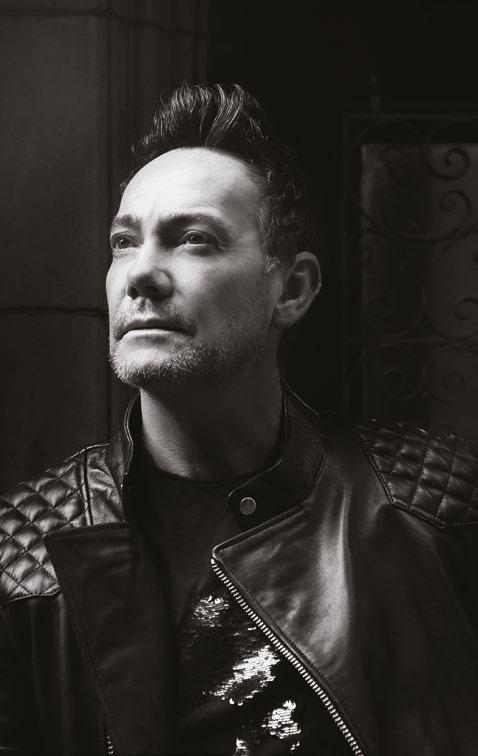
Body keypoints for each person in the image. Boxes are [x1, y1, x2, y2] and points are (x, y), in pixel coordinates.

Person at [0, 83, 477, 756]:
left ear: (293, 288)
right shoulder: (22, 558)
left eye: (193, 240)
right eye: (124, 242)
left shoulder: (435, 505)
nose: (141, 274)